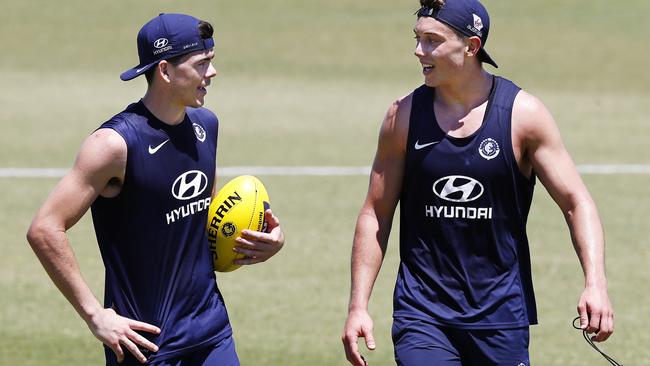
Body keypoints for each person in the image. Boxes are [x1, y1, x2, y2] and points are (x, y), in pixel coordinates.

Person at [341, 0, 614, 365]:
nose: (419, 50)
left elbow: (575, 202)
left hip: (501, 315)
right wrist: (358, 305)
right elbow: (375, 213)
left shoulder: (522, 116)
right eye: (418, 38)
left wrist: (595, 283)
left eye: (432, 40)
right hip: (423, 314)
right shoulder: (403, 117)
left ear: (471, 47)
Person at [26, 13, 284, 366]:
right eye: (202, 64)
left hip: (211, 333)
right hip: (146, 347)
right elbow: (44, 228)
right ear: (164, 71)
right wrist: (95, 315)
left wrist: (261, 240)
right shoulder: (114, 145)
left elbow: (202, 216)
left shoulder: (205, 126)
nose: (212, 73)